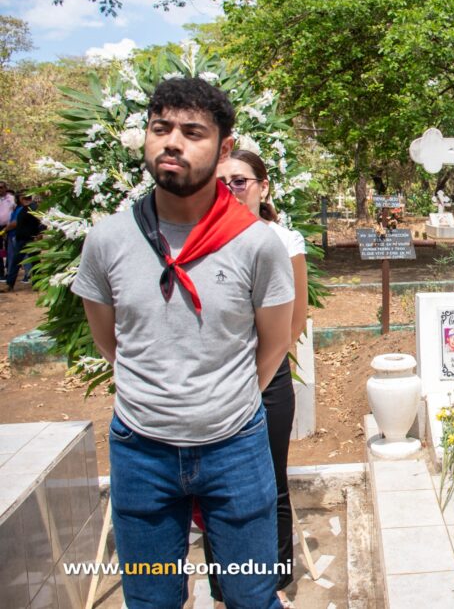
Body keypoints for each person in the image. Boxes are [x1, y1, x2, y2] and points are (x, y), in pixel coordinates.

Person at [72, 78, 294, 609]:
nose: (172, 141)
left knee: (251, 595)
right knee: (149, 598)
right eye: (160, 128)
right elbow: (112, 342)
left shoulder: (257, 244)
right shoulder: (107, 240)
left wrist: (220, 401)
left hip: (235, 448)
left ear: (221, 151)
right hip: (140, 450)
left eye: (192, 132)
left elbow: (274, 343)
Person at [202, 149, 308, 609]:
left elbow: (293, 324)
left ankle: (274, 580)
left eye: (240, 181)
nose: (229, 190)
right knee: (214, 489)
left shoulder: (284, 241)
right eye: (220, 181)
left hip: (267, 383)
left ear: (264, 187)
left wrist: (252, 378)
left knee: (270, 481)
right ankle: (224, 590)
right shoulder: (197, 239)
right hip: (211, 384)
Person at [5, 192, 43, 291]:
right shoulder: (23, 209)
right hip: (22, 239)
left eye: (27, 197)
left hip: (31, 239)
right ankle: (10, 284)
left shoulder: (33, 207)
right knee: (16, 262)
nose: (25, 199)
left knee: (34, 262)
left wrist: (39, 233)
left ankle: (37, 284)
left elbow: (43, 221)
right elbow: (18, 223)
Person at [0, 181, 16, 277]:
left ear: (5, 188)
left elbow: (15, 211)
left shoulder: (12, 199)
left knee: (9, 249)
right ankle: (0, 272)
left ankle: (9, 271)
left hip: (9, 227)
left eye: (1, 187)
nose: (0, 189)